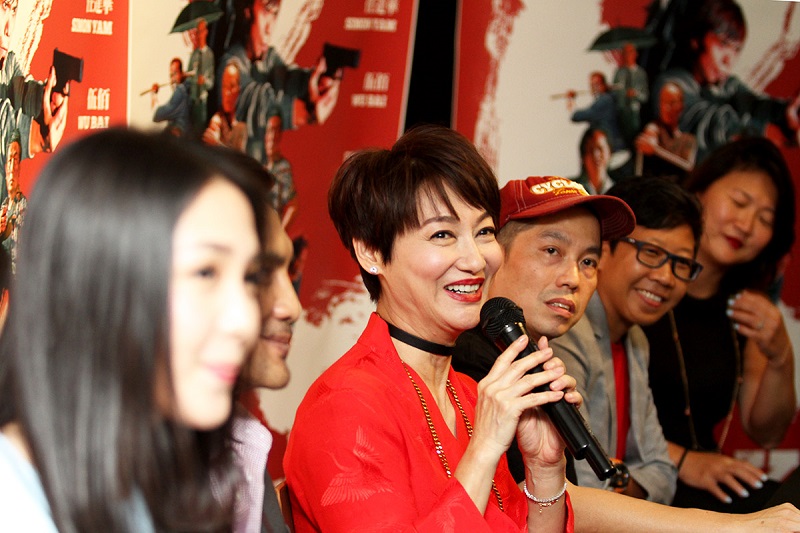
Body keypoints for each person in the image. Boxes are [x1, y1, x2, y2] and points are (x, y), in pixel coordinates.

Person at [452, 174, 800, 531]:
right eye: (552, 251)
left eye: (588, 261)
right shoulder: (467, 360)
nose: (573, 277)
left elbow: (656, 474)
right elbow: (555, 500)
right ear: (491, 253)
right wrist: (730, 527)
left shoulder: (545, 355)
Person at [284, 125, 580, 532]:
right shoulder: (343, 406)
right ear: (372, 252)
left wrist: (544, 468)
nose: (475, 260)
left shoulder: (470, 394)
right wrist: (486, 447)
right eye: (442, 234)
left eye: (484, 232)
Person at [0, 128, 272, 531]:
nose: (245, 320)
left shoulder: (139, 485)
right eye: (205, 272)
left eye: (250, 278)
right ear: (97, 283)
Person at [643, 136, 797, 512]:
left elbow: (767, 432)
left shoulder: (746, 307)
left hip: (709, 482)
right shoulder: (643, 281)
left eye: (765, 219)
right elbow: (594, 415)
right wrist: (684, 461)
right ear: (699, 191)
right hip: (639, 476)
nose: (746, 225)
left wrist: (781, 356)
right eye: (739, 202)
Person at [551, 177, 703, 504]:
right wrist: (624, 480)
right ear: (604, 250)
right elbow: (582, 485)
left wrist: (618, 476)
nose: (665, 277)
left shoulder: (636, 340)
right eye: (652, 252)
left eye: (681, 264)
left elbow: (662, 473)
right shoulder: (565, 332)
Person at [648, 0, 800, 161]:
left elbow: (754, 104)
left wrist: (786, 113)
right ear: (696, 40)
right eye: (722, 44)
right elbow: (703, 123)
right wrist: (755, 132)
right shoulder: (671, 84)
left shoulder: (726, 85)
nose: (729, 59)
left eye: (736, 49)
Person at [218, 0, 342, 162]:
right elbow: (251, 103)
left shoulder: (266, 58)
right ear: (247, 12)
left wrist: (316, 82)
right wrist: (307, 113)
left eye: (275, 14)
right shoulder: (231, 63)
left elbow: (284, 77)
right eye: (265, 13)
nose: (270, 28)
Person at [634, 81, 697, 179]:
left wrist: (656, 150)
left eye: (672, 103)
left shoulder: (688, 139)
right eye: (663, 102)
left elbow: (689, 167)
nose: (666, 108)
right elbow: (650, 134)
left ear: (681, 106)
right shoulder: (655, 128)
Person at [568, 72, 626, 154]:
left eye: (597, 84)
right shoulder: (608, 98)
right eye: (592, 85)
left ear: (604, 84)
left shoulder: (604, 101)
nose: (594, 88)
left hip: (615, 149)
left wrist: (571, 100)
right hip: (612, 148)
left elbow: (576, 116)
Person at [203, 59, 247, 151]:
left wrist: (217, 144)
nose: (227, 93)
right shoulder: (217, 120)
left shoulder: (243, 125)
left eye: (231, 86)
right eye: (224, 86)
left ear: (239, 90)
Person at [264, 109, 296, 228]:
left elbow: (293, 205)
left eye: (277, 131)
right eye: (270, 130)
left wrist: (280, 233)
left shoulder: (283, 167)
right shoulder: (255, 162)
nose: (273, 137)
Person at [612, 42, 649, 146]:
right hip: (621, 112)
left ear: (636, 54)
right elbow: (614, 92)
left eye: (631, 52)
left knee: (634, 140)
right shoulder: (619, 73)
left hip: (634, 113)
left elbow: (645, 96)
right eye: (626, 52)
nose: (628, 55)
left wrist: (635, 94)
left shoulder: (641, 73)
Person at [0, 129, 26, 271]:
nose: (11, 167)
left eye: (15, 160)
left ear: (20, 166)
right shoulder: (3, 208)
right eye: (9, 160)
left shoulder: (24, 207)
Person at [187, 18, 215, 136]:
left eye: (202, 31)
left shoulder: (209, 55)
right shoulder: (194, 55)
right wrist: (194, 80)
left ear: (206, 32)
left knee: (200, 132)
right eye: (198, 31)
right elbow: (188, 77)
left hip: (202, 102)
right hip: (192, 100)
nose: (200, 34)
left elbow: (211, 83)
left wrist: (204, 81)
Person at [152, 58, 192, 136]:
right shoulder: (183, 88)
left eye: (175, 73)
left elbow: (158, 115)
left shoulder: (180, 91)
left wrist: (154, 94)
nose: (173, 78)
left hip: (180, 131)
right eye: (171, 74)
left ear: (181, 73)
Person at [572, 127, 614, 195]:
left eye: (600, 148)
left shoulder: (619, 190)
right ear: (583, 156)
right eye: (590, 149)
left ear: (610, 152)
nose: (595, 155)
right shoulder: (571, 189)